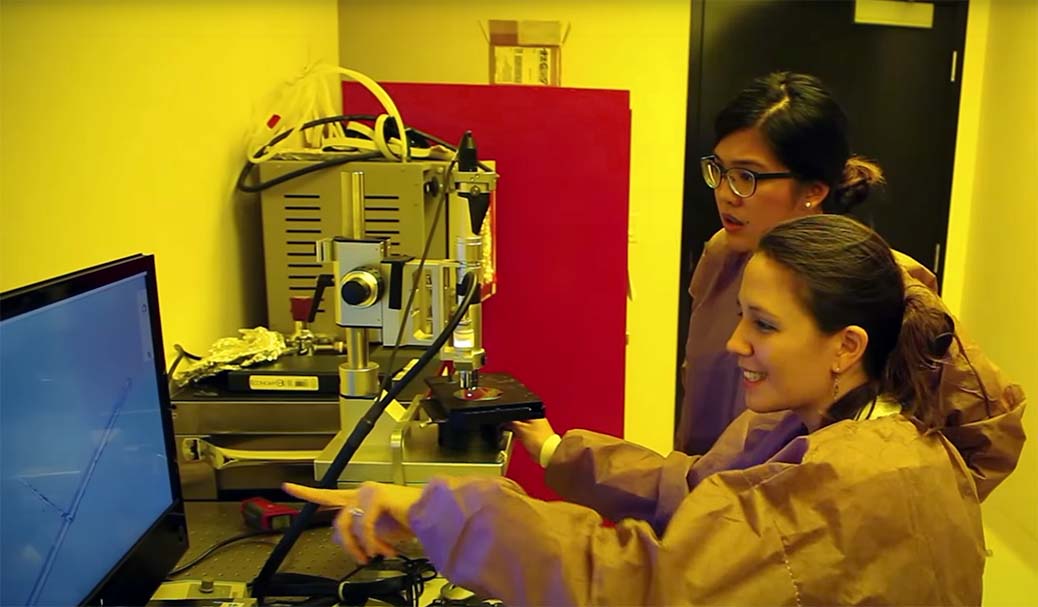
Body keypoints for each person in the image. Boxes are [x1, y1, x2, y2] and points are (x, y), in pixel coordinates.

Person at [284, 215, 1026, 606]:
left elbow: (642, 584)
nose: (736, 342)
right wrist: (552, 450)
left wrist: (444, 512)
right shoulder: (850, 425)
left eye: (764, 325)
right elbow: (698, 487)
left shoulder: (859, 479)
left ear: (846, 344)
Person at [675, 71, 939, 455]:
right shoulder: (723, 253)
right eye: (719, 171)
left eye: (746, 176)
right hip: (705, 489)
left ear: (814, 190)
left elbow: (979, 430)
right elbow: (700, 387)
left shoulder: (883, 280)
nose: (725, 194)